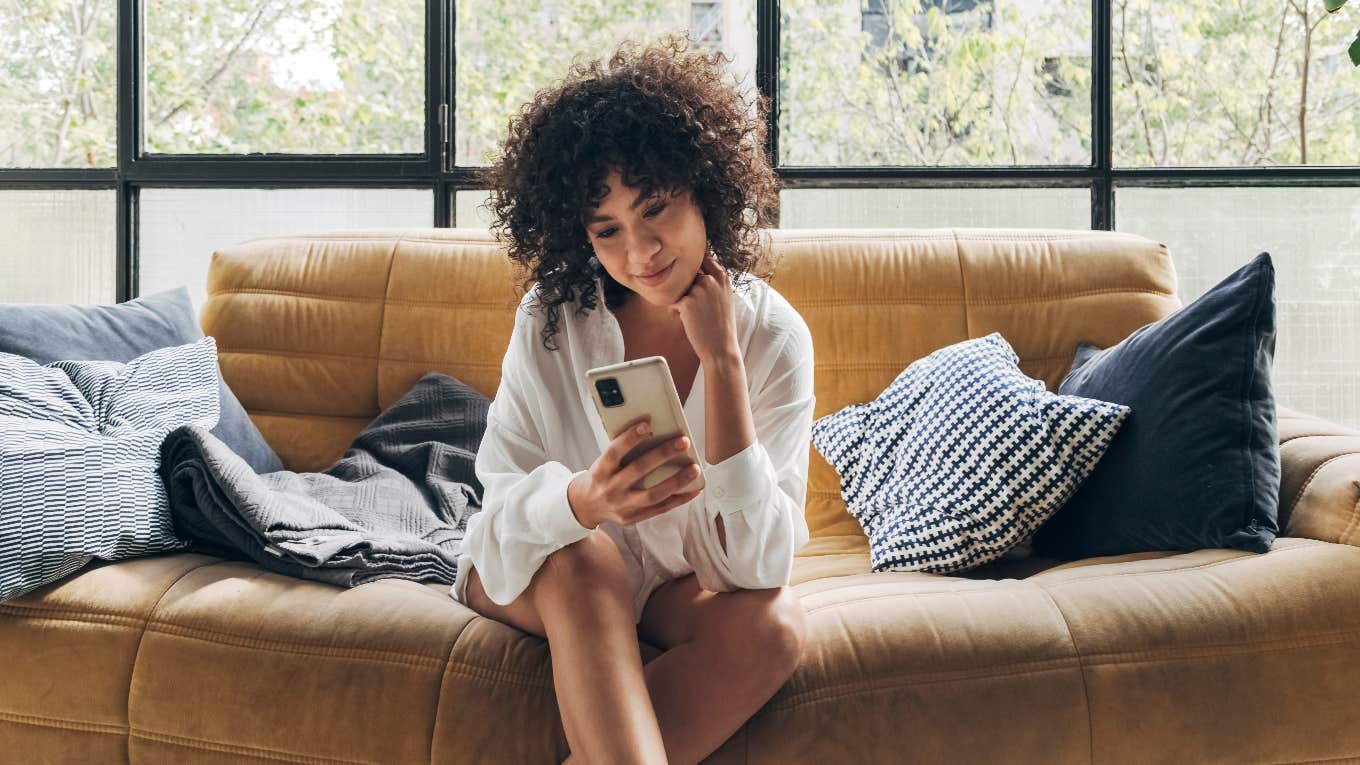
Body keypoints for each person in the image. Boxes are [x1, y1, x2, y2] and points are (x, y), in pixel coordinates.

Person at [449, 32, 816, 765]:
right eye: (607, 230)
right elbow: (497, 518)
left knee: (773, 627)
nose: (641, 252)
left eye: (658, 210)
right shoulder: (552, 320)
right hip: (532, 564)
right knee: (590, 561)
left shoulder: (773, 334)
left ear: (708, 192)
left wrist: (725, 362)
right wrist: (585, 500)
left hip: (667, 585)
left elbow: (756, 569)